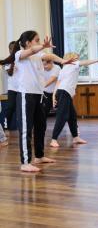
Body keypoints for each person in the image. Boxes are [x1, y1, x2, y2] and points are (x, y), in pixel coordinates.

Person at [0, 30, 75, 172]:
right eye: (37, 40)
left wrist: (63, 61)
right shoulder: (19, 55)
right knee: (25, 129)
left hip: (39, 95)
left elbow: (50, 55)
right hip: (25, 95)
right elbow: (33, 50)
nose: (40, 43)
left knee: (41, 127)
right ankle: (25, 162)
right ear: (28, 43)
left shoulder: (39, 55)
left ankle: (39, 156)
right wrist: (42, 46)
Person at [49, 53, 98, 148]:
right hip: (64, 92)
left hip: (63, 92)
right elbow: (86, 62)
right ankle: (53, 139)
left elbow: (58, 84)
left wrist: (54, 96)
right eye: (76, 57)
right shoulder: (73, 64)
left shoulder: (64, 69)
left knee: (72, 116)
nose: (78, 59)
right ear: (71, 58)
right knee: (62, 116)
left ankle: (75, 137)